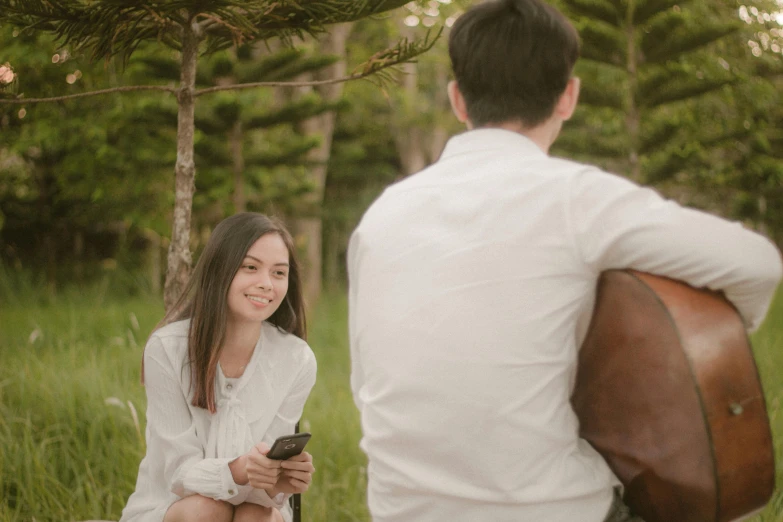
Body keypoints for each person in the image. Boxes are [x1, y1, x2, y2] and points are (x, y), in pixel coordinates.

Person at [346, 0, 783, 521]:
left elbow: (368, 386)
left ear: (458, 100)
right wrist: (708, 348)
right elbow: (758, 263)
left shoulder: (379, 217)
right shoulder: (575, 197)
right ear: (568, 96)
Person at [121, 213, 317, 522]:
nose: (266, 284)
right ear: (220, 270)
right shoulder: (167, 349)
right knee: (207, 510)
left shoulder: (297, 359)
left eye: (279, 272)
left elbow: (268, 492)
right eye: (250, 267)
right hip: (174, 506)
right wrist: (238, 470)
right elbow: (178, 473)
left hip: (255, 507)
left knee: (258, 516)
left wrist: (279, 482)